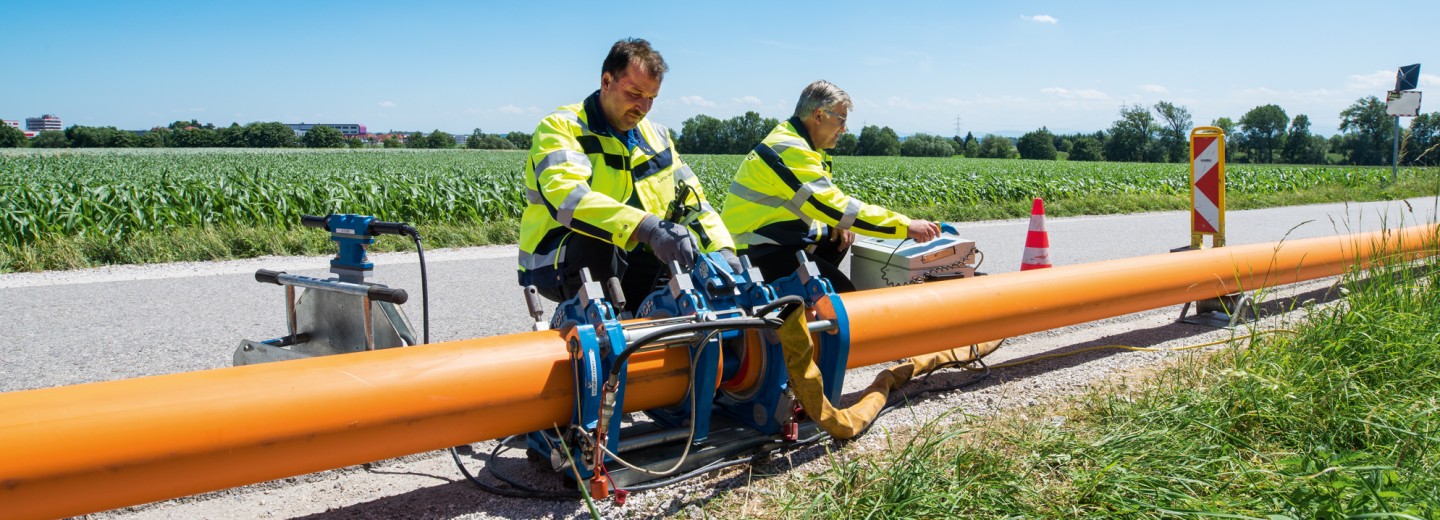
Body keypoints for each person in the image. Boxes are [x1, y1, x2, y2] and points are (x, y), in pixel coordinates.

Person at [518, 38, 739, 312]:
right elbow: (568, 199)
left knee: (684, 252)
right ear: (607, 81)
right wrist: (648, 227)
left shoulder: (657, 136)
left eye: (651, 98)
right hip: (557, 258)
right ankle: (605, 329)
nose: (643, 108)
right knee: (599, 244)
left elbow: (694, 203)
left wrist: (723, 252)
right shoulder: (561, 128)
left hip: (634, 255)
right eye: (635, 93)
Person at [721, 80, 941, 292]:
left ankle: (804, 303)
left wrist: (836, 221)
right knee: (844, 298)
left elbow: (820, 205)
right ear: (819, 115)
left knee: (836, 235)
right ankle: (807, 305)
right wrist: (906, 226)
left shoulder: (806, 146)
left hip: (768, 239)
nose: (844, 129)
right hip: (752, 250)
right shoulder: (790, 148)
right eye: (841, 120)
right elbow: (832, 206)